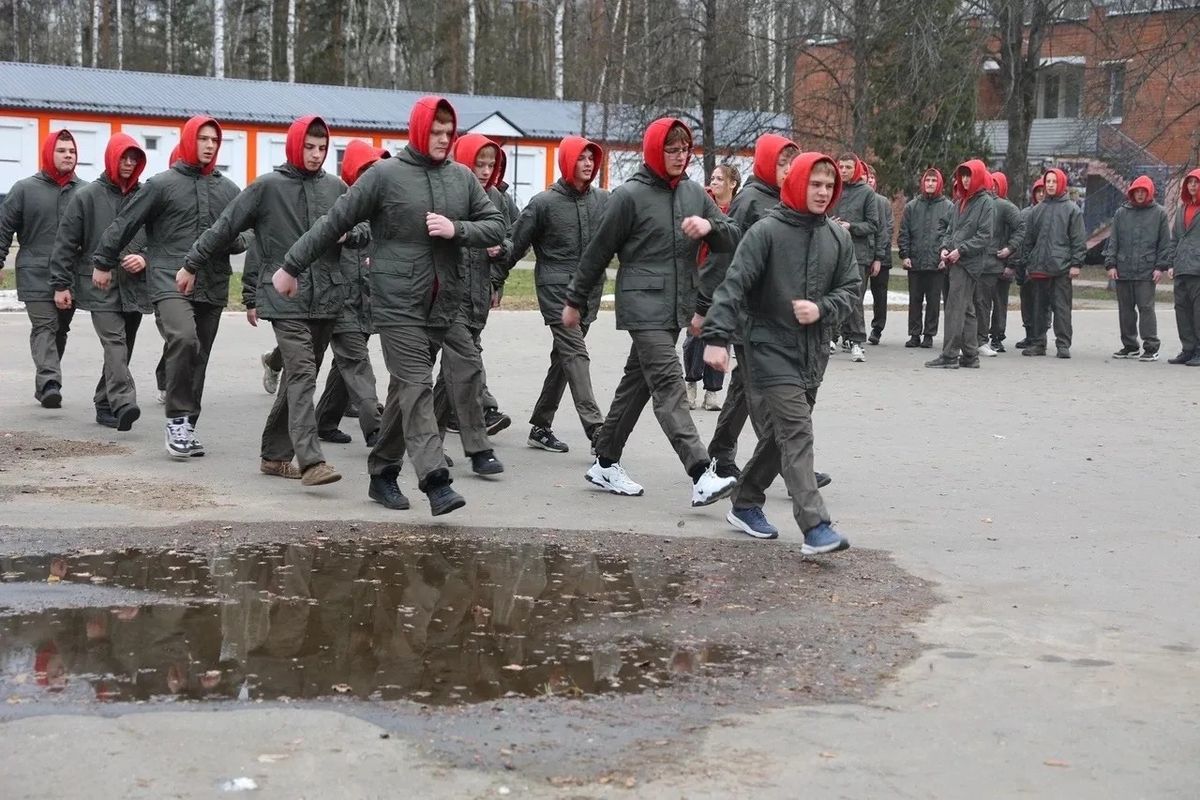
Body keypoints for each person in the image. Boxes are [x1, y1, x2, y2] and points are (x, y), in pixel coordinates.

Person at [276, 96, 507, 516]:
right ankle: (436, 481)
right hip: (397, 302)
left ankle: (382, 472)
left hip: (444, 302)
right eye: (435, 131)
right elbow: (334, 222)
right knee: (417, 384)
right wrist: (290, 266)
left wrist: (457, 229)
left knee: (408, 390)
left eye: (448, 132)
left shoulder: (461, 178)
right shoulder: (385, 176)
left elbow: (495, 226)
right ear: (419, 130)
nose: (443, 139)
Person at [563, 116, 740, 505]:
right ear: (655, 151)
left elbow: (732, 237)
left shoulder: (695, 194)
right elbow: (598, 252)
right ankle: (700, 472)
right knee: (668, 382)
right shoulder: (628, 196)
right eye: (671, 149)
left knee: (637, 384)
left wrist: (709, 228)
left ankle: (604, 463)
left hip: (676, 306)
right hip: (641, 304)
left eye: (685, 149)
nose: (680, 156)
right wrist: (575, 300)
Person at [183, 115, 353, 486]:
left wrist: (350, 235)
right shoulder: (266, 187)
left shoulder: (337, 187)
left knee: (298, 377)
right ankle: (311, 461)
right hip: (284, 296)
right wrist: (192, 263)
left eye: (322, 148)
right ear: (294, 145)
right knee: (303, 372)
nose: (316, 154)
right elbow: (225, 226)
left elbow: (364, 226)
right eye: (309, 147)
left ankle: (274, 457)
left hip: (327, 295)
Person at [701, 152, 856, 554]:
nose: (822, 192)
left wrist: (822, 308)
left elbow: (850, 290)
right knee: (797, 431)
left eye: (829, 186)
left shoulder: (837, 237)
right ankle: (816, 527)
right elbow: (733, 286)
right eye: (815, 184)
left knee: (779, 436)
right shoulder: (765, 232)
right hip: (767, 347)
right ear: (798, 182)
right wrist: (716, 338)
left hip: (813, 352)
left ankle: (745, 501)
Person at [94, 115, 248, 458]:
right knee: (184, 338)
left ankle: (187, 426)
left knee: (199, 355)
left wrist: (236, 241)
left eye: (214, 140)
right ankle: (176, 419)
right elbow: (126, 222)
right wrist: (103, 261)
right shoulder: (162, 184)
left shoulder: (228, 189)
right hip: (168, 278)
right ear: (189, 140)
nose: (209, 145)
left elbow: (250, 228)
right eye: (203, 139)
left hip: (212, 281)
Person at [493, 135, 609, 454]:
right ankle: (597, 430)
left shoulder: (603, 200)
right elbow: (514, 244)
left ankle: (540, 426)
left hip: (589, 292)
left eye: (591, 158)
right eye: (581, 158)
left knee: (564, 359)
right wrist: (495, 281)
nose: (588, 164)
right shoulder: (543, 203)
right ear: (567, 161)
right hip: (556, 291)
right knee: (576, 354)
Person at [694, 134, 798, 479]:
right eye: (781, 163)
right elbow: (724, 255)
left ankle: (720, 453)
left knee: (743, 389)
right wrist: (705, 307)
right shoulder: (750, 199)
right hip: (747, 313)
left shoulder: (786, 199)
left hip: (773, 312)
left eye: (791, 163)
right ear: (766, 162)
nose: (788, 169)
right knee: (762, 392)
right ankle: (791, 465)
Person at [47, 133, 149, 431]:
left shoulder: (147, 196)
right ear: (111, 158)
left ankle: (104, 403)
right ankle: (124, 402)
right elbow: (65, 243)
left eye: (134, 158)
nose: (128, 163)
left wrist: (145, 258)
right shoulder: (87, 196)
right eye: (123, 157)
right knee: (115, 342)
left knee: (124, 346)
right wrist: (60, 284)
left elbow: (163, 238)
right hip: (99, 285)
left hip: (134, 286)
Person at [429, 132, 515, 469]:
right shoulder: (447, 193)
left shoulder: (495, 198)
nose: (485, 171)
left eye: (491, 164)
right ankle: (479, 449)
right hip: (447, 297)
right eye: (479, 164)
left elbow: (510, 239)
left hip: (478, 296)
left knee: (447, 376)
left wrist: (500, 253)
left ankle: (424, 440)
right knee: (468, 366)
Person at [0, 129, 80, 408]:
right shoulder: (24, 189)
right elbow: (3, 228)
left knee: (60, 329)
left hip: (70, 275)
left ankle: (45, 384)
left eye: (72, 151)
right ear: (48, 153)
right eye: (62, 150)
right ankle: (50, 382)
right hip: (34, 272)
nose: (68, 155)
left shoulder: (84, 191)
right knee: (45, 325)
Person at [314, 140, 387, 445]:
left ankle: (325, 421)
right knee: (357, 362)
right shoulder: (337, 202)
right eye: (367, 169)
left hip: (367, 299)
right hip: (338, 296)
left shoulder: (380, 206)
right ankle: (376, 428)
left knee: (344, 364)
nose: (375, 177)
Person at [925, 159, 994, 369]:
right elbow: (950, 230)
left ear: (978, 177)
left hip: (968, 263)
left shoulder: (985, 203)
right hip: (955, 261)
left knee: (955, 308)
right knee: (967, 309)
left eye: (969, 175)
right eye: (963, 175)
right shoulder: (960, 202)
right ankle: (971, 355)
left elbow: (984, 236)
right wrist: (945, 248)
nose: (965, 180)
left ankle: (950, 355)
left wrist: (961, 250)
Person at [684, 164, 739, 411]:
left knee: (721, 335)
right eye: (713, 178)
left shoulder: (737, 211)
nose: (714, 182)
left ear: (732, 184)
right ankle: (691, 382)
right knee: (695, 336)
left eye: (719, 179)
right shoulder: (702, 206)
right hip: (699, 277)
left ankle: (713, 392)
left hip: (726, 281)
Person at [1105, 175, 1171, 361]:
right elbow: (1113, 241)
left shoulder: (1159, 213)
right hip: (1123, 268)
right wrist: (1111, 264)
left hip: (1147, 270)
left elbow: (1164, 243)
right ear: (1132, 193)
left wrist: (1160, 267)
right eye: (1137, 191)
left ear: (1150, 193)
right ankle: (1130, 345)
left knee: (1146, 308)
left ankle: (1151, 346)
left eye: (1144, 191)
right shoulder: (1121, 213)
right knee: (1125, 309)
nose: (1140, 195)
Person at [1022, 167, 1085, 359]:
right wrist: (1028, 263)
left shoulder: (1072, 210)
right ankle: (1038, 343)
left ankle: (1063, 344)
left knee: (1061, 308)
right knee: (1039, 308)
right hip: (1039, 268)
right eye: (1047, 181)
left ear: (1061, 183)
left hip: (1062, 269)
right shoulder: (1037, 210)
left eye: (1054, 181)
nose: (1050, 185)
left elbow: (1078, 240)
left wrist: (1076, 264)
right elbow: (1029, 240)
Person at [830, 153, 879, 362]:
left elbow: (873, 224)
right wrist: (830, 223)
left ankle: (857, 341)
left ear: (856, 169)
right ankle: (831, 337)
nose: (843, 170)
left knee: (855, 297)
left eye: (848, 167)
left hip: (858, 253)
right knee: (833, 294)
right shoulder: (834, 188)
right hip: (834, 249)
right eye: (840, 166)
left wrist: (851, 226)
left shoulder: (866, 192)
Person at [898, 168, 952, 349]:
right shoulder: (912, 207)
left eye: (933, 181)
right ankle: (914, 334)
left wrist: (945, 256)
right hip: (915, 262)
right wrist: (905, 255)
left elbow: (951, 233)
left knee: (933, 302)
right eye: (927, 180)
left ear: (939, 184)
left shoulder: (948, 207)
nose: (930, 183)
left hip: (937, 263)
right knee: (915, 300)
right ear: (922, 182)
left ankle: (929, 334)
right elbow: (904, 233)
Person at [976, 171, 1024, 356]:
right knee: (982, 303)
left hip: (1002, 263)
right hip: (985, 263)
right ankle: (981, 338)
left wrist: (1010, 257)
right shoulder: (983, 205)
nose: (993, 188)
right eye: (991, 184)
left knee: (999, 303)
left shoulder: (1007, 207)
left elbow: (1019, 231)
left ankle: (996, 337)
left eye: (996, 185)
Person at [1167, 168, 1200, 366]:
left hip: (1197, 269)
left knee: (1198, 311)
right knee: (1182, 309)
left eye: (1196, 182)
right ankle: (1188, 349)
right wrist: (1171, 263)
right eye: (1190, 182)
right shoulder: (1182, 209)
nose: (1193, 186)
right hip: (1181, 268)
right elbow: (1175, 239)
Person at [1014, 178, 1046, 349]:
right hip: (1025, 264)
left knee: (1041, 302)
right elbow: (1020, 239)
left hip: (1043, 265)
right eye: (1038, 191)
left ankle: (1039, 337)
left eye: (1043, 191)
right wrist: (1019, 263)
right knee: (1026, 301)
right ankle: (1028, 334)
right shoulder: (1025, 213)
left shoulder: (1050, 212)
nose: (1041, 194)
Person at [865, 166, 893, 345]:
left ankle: (877, 328)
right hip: (862, 254)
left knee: (880, 295)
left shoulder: (883, 202)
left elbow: (887, 229)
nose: (869, 181)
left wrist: (879, 255)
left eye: (872, 178)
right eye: (866, 177)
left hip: (881, 257)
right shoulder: (857, 200)